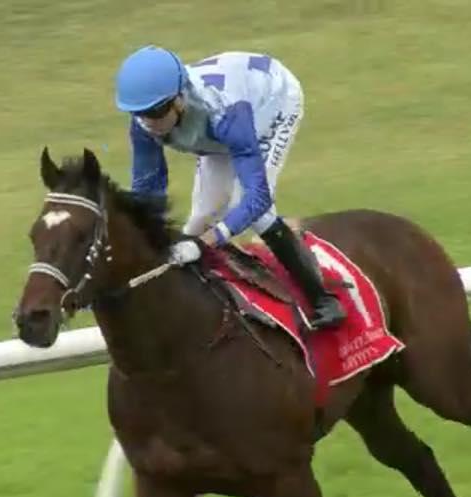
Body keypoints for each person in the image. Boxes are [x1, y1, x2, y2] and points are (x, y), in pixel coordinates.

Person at [114, 45, 346, 330]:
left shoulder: (224, 112)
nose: (151, 123)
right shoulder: (144, 124)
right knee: (199, 218)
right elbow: (148, 193)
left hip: (270, 104)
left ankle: (323, 300)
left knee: (253, 213)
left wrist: (206, 242)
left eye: (158, 111)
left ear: (179, 99)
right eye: (141, 113)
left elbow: (257, 198)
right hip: (220, 128)